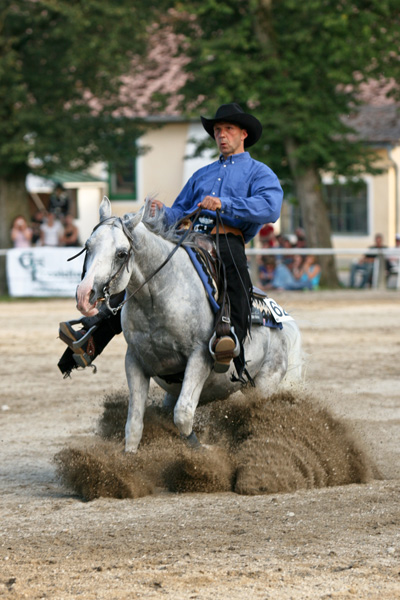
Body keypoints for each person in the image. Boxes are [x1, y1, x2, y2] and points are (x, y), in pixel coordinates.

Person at [58, 102, 283, 379]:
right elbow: (178, 212)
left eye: (228, 129)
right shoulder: (202, 174)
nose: (221, 135)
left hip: (226, 240)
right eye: (217, 130)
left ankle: (232, 343)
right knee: (141, 275)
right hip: (187, 240)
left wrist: (224, 204)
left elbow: (270, 207)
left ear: (243, 134)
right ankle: (91, 337)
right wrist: (162, 211)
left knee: (236, 279)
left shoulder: (259, 173)